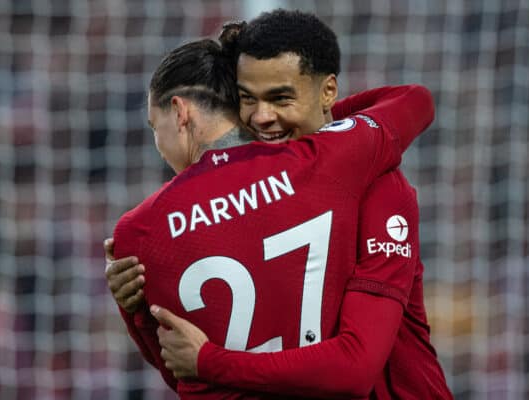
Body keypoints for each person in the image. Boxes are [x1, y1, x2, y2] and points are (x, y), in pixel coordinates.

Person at [108, 9, 450, 399]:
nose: (263, 117)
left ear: (180, 112)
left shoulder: (140, 230)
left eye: (281, 98)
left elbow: (185, 373)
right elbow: (412, 99)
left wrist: (198, 354)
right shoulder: (342, 164)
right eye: (247, 100)